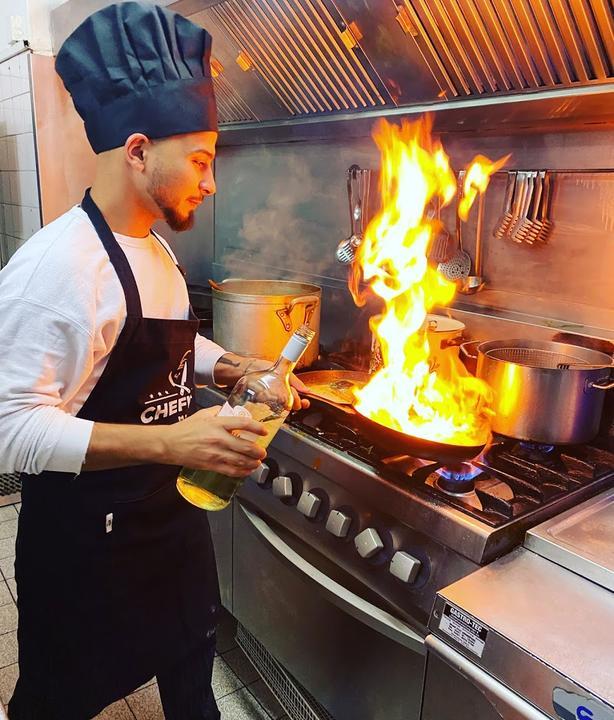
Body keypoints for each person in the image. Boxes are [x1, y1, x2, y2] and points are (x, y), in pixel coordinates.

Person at [0, 3, 308, 718]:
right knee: (58, 699)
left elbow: (158, 338)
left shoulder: (152, 245)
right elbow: (11, 428)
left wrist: (228, 367)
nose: (211, 182)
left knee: (192, 676)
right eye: (201, 161)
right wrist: (174, 441)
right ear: (138, 150)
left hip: (168, 528)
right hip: (85, 549)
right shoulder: (56, 268)